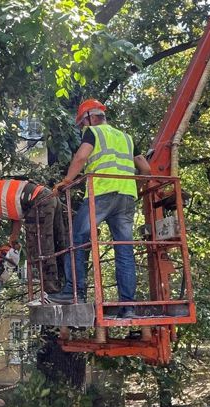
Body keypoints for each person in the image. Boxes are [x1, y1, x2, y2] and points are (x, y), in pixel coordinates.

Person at [49, 98, 150, 318]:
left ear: (90, 118)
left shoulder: (94, 133)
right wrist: (136, 187)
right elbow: (145, 167)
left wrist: (66, 181)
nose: (83, 128)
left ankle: (73, 292)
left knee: (77, 240)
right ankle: (128, 307)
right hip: (126, 197)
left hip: (102, 193)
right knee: (124, 251)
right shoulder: (126, 137)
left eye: (83, 123)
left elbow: (81, 156)